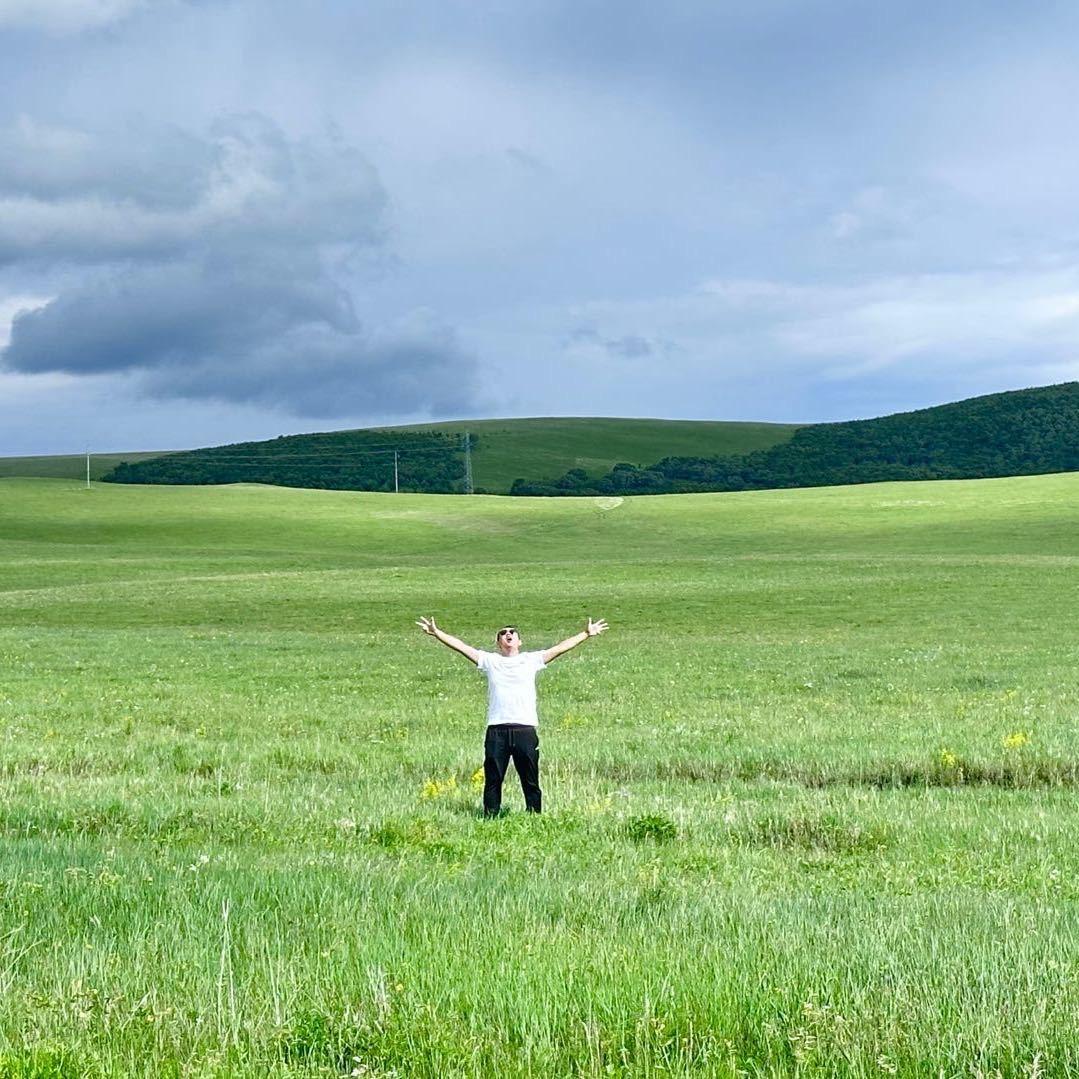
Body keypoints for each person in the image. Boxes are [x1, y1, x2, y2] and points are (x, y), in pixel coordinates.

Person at [415, 616, 609, 815]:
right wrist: (437, 633)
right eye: (503, 633)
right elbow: (462, 647)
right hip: (497, 729)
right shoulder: (490, 661)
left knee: (530, 778)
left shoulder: (531, 660)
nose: (508, 634)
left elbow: (559, 648)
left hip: (524, 728)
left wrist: (586, 634)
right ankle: (491, 816)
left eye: (512, 632)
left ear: (519, 641)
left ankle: (534, 816)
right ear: (498, 643)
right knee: (493, 778)